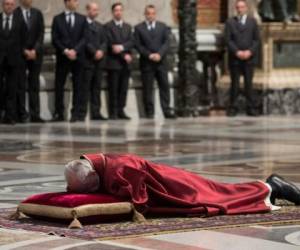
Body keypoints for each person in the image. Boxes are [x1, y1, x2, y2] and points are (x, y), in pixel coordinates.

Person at [65, 153, 300, 218]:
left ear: (93, 176)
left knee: (219, 196)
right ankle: (268, 188)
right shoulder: (95, 164)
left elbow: (140, 202)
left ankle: (272, 186)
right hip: (171, 181)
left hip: (177, 187)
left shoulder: (119, 169)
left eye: (90, 189)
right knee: (221, 191)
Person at [134, 5, 176, 119]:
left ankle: (166, 110)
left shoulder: (162, 27)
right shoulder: (139, 28)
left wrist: (159, 54)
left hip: (161, 62)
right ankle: (149, 112)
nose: (150, 15)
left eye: (152, 13)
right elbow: (138, 45)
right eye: (148, 13)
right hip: (147, 63)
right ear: (145, 14)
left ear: (155, 14)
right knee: (148, 88)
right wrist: (149, 55)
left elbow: (166, 42)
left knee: (164, 86)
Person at [51, 0, 86, 122]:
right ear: (67, 2)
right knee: (59, 85)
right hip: (63, 57)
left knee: (78, 86)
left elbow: (84, 38)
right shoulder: (57, 19)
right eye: (74, 0)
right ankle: (58, 113)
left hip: (78, 58)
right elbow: (55, 39)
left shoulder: (82, 19)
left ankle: (75, 113)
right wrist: (66, 51)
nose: (77, 3)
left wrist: (75, 51)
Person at [225, 0, 261, 117]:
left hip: (249, 58)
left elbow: (256, 40)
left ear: (246, 8)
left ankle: (251, 107)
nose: (240, 9)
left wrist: (250, 51)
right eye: (238, 8)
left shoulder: (252, 22)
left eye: (242, 7)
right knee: (234, 84)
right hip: (235, 58)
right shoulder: (230, 22)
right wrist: (237, 52)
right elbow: (228, 40)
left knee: (248, 84)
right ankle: (233, 107)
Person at [15, 0, 45, 123]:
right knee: (20, 84)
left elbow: (41, 33)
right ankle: (22, 113)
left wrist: (34, 50)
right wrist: (24, 50)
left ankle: (35, 113)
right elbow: (13, 34)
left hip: (35, 55)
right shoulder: (15, 13)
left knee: (34, 85)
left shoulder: (37, 13)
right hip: (19, 54)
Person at [78, 2, 107, 121]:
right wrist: (94, 52)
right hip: (87, 60)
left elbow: (105, 41)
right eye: (94, 10)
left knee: (96, 87)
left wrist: (101, 51)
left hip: (99, 62)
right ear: (88, 10)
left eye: (97, 10)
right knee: (85, 88)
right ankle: (82, 113)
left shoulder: (100, 26)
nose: (96, 12)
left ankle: (96, 112)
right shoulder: (82, 25)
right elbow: (84, 41)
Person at [105, 2, 133, 120]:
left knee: (123, 89)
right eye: (116, 10)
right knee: (114, 88)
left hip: (125, 64)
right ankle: (113, 112)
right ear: (112, 12)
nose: (118, 12)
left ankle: (121, 110)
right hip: (113, 62)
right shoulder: (107, 26)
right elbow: (111, 43)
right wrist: (123, 53)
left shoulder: (128, 27)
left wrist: (122, 48)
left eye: (120, 10)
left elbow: (131, 41)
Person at [0, 0, 27, 125]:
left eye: (11, 4)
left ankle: (10, 116)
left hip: (14, 60)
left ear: (14, 6)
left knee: (12, 89)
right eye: (6, 4)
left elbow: (24, 39)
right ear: (2, 5)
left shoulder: (20, 21)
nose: (9, 6)